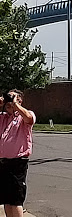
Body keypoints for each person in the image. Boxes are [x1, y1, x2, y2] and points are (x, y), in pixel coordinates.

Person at [0, 89, 36, 217]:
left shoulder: (25, 116)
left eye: (15, 100)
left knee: (16, 200)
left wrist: (15, 104)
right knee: (6, 200)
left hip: (17, 163)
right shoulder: (3, 117)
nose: (10, 105)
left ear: (21, 101)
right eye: (8, 103)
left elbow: (29, 118)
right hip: (3, 162)